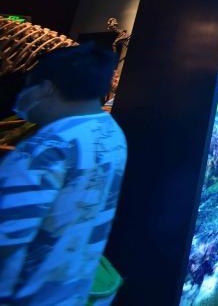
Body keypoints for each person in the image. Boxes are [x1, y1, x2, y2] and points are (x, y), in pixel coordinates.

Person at [0, 44, 127, 305]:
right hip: (71, 292)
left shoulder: (48, 147)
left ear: (46, 88)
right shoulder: (111, 132)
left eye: (28, 85)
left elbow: (7, 236)